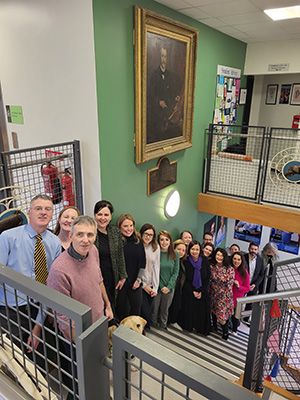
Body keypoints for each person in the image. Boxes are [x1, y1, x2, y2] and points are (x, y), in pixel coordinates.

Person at [47, 215, 113, 400]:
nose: (86, 240)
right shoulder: (59, 270)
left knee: (97, 374)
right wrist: (81, 344)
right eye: (80, 234)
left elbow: (98, 279)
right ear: (71, 235)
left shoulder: (93, 252)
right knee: (79, 383)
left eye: (90, 235)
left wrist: (107, 305)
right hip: (78, 337)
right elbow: (62, 318)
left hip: (98, 325)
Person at [0, 195, 61, 357]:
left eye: (48, 209)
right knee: (12, 358)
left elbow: (50, 284)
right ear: (29, 212)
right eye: (38, 208)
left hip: (38, 308)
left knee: (36, 357)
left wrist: (38, 324)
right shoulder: (8, 238)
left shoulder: (54, 242)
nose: (43, 212)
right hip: (10, 310)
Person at [93, 200, 127, 317]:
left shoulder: (115, 232)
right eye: (99, 214)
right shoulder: (91, 232)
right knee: (101, 308)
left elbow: (119, 255)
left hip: (113, 277)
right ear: (94, 215)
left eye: (106, 215)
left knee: (111, 304)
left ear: (111, 216)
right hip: (96, 279)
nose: (103, 218)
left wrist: (122, 275)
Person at [147, 45, 182, 143]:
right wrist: (158, 102)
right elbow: (151, 93)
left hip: (168, 109)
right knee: (159, 135)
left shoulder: (170, 75)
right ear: (159, 57)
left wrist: (176, 97)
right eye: (162, 56)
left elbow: (171, 91)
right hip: (157, 112)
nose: (163, 59)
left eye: (165, 56)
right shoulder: (154, 74)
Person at [116, 214, 146, 321]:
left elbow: (143, 262)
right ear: (119, 227)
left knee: (136, 308)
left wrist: (138, 280)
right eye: (125, 226)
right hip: (121, 282)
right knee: (120, 309)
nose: (129, 229)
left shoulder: (138, 241)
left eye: (131, 225)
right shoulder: (117, 242)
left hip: (135, 280)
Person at [178, 241, 211, 335]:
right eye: (192, 249)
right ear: (189, 250)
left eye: (197, 249)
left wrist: (201, 292)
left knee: (204, 305)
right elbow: (185, 279)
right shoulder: (186, 261)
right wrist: (192, 292)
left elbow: (208, 276)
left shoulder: (204, 260)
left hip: (202, 290)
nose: (194, 251)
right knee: (189, 305)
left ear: (200, 250)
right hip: (189, 290)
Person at [151, 231, 179, 330]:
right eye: (162, 239)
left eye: (167, 239)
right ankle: (153, 325)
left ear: (170, 241)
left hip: (169, 288)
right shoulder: (156, 252)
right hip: (157, 286)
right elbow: (155, 271)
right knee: (154, 309)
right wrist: (161, 286)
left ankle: (163, 326)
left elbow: (175, 272)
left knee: (165, 309)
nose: (164, 242)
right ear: (158, 241)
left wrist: (169, 286)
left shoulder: (175, 254)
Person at [209, 248, 234, 340]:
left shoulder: (229, 268)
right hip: (213, 292)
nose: (219, 257)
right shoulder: (212, 266)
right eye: (217, 255)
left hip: (224, 295)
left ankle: (225, 331)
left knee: (221, 315)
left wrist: (220, 283)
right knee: (213, 310)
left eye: (221, 255)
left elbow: (230, 283)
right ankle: (214, 326)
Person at [139, 223, 160, 327]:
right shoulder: (138, 246)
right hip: (140, 284)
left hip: (151, 284)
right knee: (145, 313)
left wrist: (155, 288)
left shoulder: (155, 247)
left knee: (146, 314)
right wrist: (143, 285)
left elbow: (156, 267)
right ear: (141, 234)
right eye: (146, 234)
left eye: (150, 235)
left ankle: (144, 332)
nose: (148, 237)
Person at [168, 239, 188, 327]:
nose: (181, 252)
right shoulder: (170, 260)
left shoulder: (182, 262)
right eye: (179, 249)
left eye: (183, 250)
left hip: (178, 288)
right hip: (169, 286)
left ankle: (171, 321)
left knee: (176, 306)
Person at [230, 252, 250, 334]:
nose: (236, 261)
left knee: (235, 317)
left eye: (238, 259)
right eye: (234, 259)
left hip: (237, 299)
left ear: (242, 261)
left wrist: (239, 286)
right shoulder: (228, 268)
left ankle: (234, 330)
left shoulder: (244, 273)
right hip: (226, 297)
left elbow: (247, 288)